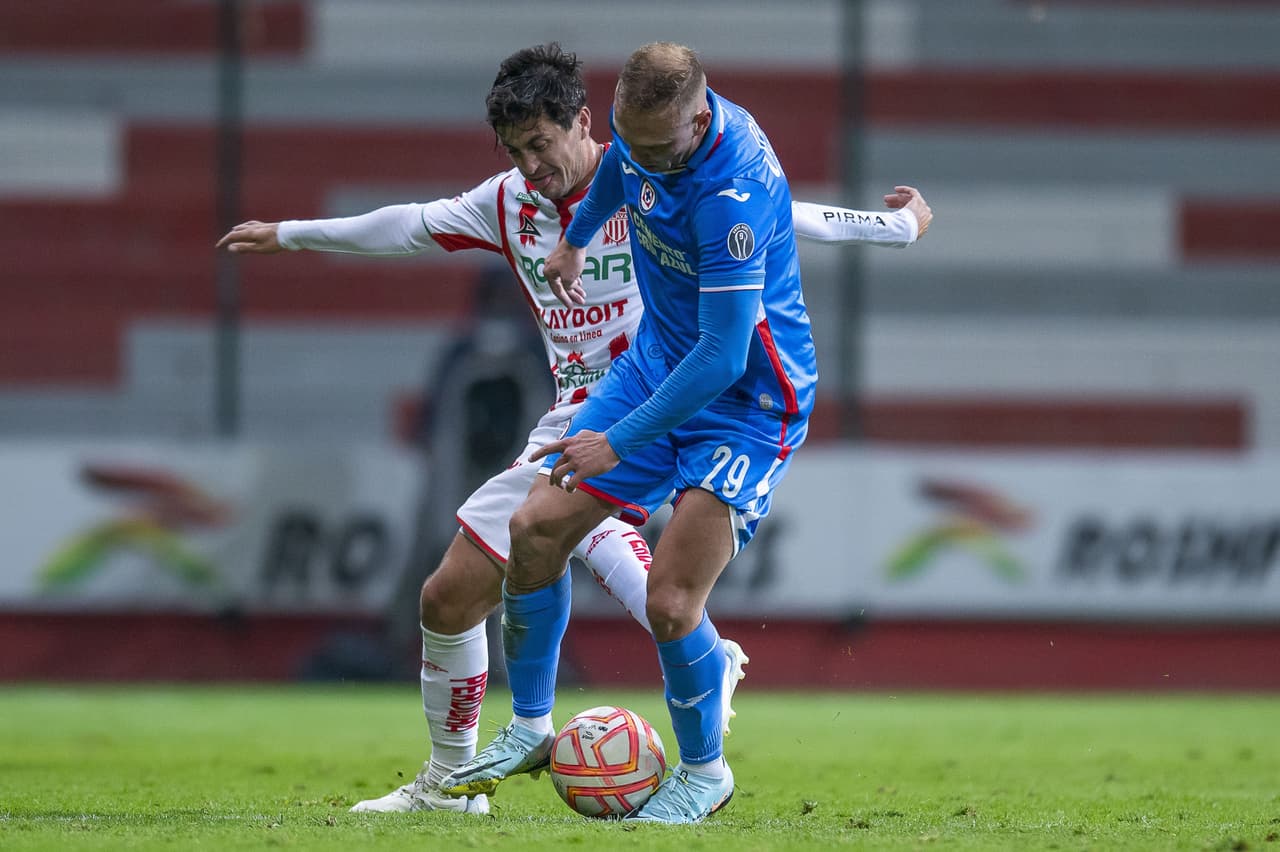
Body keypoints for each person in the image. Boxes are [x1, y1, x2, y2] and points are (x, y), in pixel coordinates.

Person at [218, 43, 931, 819]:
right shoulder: (517, 202)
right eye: (517, 150)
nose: (531, 165)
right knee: (455, 593)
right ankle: (466, 777)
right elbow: (407, 227)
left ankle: (701, 683)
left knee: (629, 567)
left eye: (542, 144)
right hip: (586, 407)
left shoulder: (687, 176)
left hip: (687, 395)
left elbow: (784, 220)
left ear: (583, 123)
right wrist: (289, 233)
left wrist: (890, 231)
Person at [439, 42, 931, 823]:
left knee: (670, 601)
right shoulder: (645, 138)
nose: (646, 160)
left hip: (748, 401)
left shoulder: (731, 193)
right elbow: (614, 172)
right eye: (630, 141)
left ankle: (705, 773)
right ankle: (532, 724)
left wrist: (618, 439)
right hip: (659, 365)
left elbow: (723, 355)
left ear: (700, 119)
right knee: (535, 531)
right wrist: (576, 236)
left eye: (660, 148)